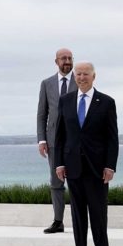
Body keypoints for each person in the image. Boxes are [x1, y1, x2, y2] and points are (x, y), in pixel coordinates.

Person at [54, 62, 119, 246]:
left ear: (94, 76)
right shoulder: (65, 101)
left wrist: (110, 166)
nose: (82, 77)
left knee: (98, 215)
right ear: (74, 76)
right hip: (73, 167)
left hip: (97, 169)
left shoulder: (107, 102)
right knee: (78, 216)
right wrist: (59, 163)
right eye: (78, 74)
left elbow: (112, 138)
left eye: (86, 74)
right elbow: (60, 135)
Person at [37, 48, 77, 234]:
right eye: (63, 58)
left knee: (77, 181)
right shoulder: (46, 84)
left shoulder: (80, 80)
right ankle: (58, 221)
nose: (67, 61)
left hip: (76, 141)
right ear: (56, 61)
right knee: (55, 182)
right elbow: (42, 114)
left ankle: (79, 220)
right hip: (53, 141)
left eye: (69, 58)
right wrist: (41, 140)